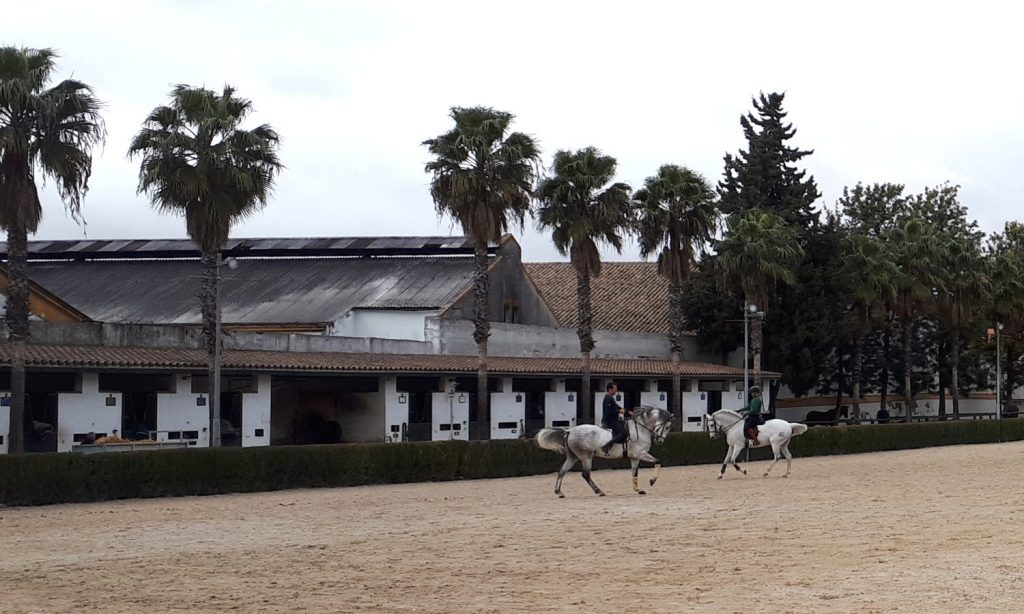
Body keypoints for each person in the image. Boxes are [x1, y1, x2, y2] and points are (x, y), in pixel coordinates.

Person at [600, 382, 630, 455]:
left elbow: (617, 407)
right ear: (610, 389)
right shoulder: (608, 398)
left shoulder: (611, 398)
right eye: (615, 389)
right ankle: (606, 446)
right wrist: (619, 411)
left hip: (614, 420)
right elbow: (608, 411)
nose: (616, 391)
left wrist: (628, 412)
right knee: (623, 433)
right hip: (610, 421)